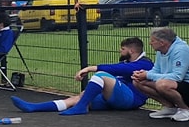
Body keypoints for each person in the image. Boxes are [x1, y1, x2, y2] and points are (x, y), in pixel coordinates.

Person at [12, 37, 152, 115]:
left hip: (130, 100)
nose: (120, 51)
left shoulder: (145, 64)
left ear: (132, 50)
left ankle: (80, 108)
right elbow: (120, 69)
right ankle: (33, 108)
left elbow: (118, 69)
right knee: (79, 97)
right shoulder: (128, 62)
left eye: (123, 49)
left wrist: (90, 68)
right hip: (114, 98)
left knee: (101, 75)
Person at [132, 27, 189, 121]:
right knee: (137, 81)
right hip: (173, 83)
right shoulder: (161, 50)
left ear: (162, 42)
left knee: (162, 85)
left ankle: (185, 109)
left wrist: (147, 75)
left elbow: (178, 76)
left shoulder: (181, 50)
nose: (150, 43)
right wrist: (143, 74)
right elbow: (156, 69)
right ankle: (170, 108)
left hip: (185, 83)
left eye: (152, 41)